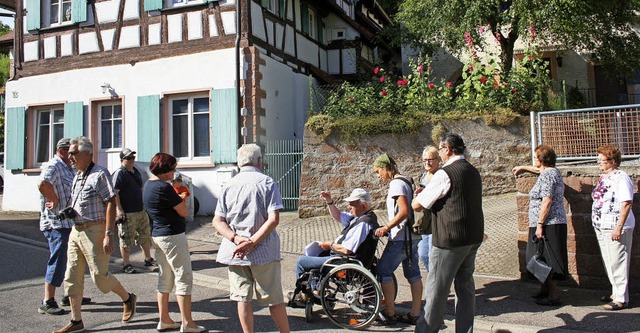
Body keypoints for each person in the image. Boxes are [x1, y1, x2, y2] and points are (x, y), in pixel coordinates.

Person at [53, 136, 136, 333]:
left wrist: (109, 233)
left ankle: (127, 298)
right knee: (71, 276)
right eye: (69, 153)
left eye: (73, 153)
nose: (69, 156)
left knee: (100, 276)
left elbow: (110, 202)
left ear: (87, 154)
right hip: (77, 230)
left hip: (95, 230)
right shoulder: (78, 175)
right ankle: (76, 320)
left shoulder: (99, 174)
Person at [212, 144, 290, 333]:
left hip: (235, 252)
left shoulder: (228, 185)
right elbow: (274, 219)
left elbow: (217, 221)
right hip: (263, 251)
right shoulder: (267, 182)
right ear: (259, 161)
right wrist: (252, 242)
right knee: (274, 299)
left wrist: (237, 239)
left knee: (242, 299)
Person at [411, 133, 484, 333]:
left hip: (450, 240)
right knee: (466, 289)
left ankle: (425, 331)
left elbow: (418, 205)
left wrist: (419, 196)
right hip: (472, 237)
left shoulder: (445, 173)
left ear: (448, 150)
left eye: (441, 150)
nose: (441, 154)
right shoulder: (472, 170)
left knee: (436, 290)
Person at [143, 153, 206, 333]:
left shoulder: (147, 185)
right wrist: (181, 198)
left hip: (157, 235)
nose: (174, 172)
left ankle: (164, 319)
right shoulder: (164, 188)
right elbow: (184, 212)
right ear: (164, 169)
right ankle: (187, 323)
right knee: (183, 277)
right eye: (172, 168)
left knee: (165, 277)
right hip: (172, 235)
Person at [37, 138, 90, 315]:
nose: (74, 156)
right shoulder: (54, 165)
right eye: (72, 152)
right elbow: (43, 183)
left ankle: (70, 294)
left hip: (68, 222)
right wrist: (54, 199)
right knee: (58, 259)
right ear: (63, 151)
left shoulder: (68, 167)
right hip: (55, 224)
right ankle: (47, 301)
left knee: (72, 260)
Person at [513, 145, 568, 306]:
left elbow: (547, 200)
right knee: (540, 257)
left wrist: (540, 224)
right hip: (547, 223)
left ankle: (553, 295)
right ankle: (544, 290)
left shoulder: (548, 175)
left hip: (548, 223)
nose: (534, 160)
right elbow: (539, 170)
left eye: (536, 157)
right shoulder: (549, 172)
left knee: (548, 260)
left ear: (542, 160)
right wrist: (523, 167)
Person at [372, 153, 422, 325]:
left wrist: (387, 227)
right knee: (413, 274)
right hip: (413, 237)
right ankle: (415, 314)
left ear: (387, 168)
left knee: (383, 270)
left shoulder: (396, 184)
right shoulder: (407, 180)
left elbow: (403, 211)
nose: (378, 176)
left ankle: (390, 312)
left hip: (401, 238)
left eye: (378, 171)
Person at [294, 188, 379, 280]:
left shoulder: (363, 223)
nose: (349, 207)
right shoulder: (362, 217)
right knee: (316, 256)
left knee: (301, 261)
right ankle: (315, 289)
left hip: (343, 262)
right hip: (343, 259)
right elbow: (338, 215)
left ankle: (306, 292)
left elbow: (347, 250)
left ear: (363, 205)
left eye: (352, 204)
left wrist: (330, 244)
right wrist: (329, 201)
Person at [591, 145, 635, 311]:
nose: (599, 163)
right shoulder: (605, 177)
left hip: (615, 226)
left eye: (603, 160)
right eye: (599, 160)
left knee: (618, 261)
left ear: (613, 161)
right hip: (602, 225)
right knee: (609, 261)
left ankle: (621, 299)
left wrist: (618, 227)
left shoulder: (621, 178)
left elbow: (626, 203)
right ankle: (615, 293)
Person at [112, 148, 156, 274]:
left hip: (140, 210)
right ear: (122, 160)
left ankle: (148, 258)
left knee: (145, 235)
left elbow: (140, 189)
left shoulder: (135, 171)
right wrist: (119, 210)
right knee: (126, 238)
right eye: (129, 158)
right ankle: (126, 264)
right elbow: (115, 193)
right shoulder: (120, 173)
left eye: (133, 158)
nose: (132, 160)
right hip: (127, 212)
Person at [417, 146, 440, 272]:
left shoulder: (440, 176)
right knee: (424, 254)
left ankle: (438, 285)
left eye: (430, 159)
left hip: (436, 221)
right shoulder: (423, 176)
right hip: (424, 222)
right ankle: (435, 280)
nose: (427, 162)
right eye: (425, 160)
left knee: (433, 256)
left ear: (438, 159)